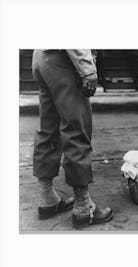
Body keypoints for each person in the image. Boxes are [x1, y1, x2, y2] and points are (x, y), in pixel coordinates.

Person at [32, 49, 113, 228]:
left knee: (48, 129)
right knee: (76, 129)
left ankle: (47, 198)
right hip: (64, 58)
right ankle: (84, 208)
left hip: (41, 56)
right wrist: (87, 67)